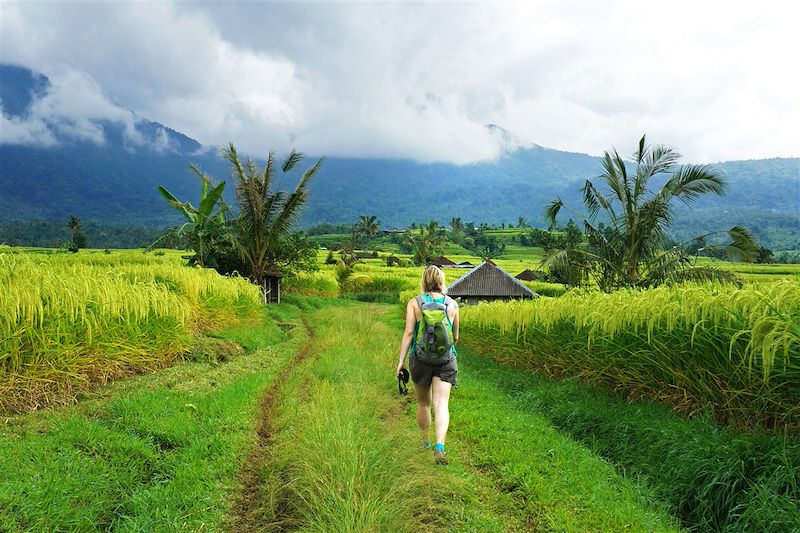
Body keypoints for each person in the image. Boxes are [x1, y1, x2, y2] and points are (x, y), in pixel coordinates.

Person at [396, 265, 459, 464]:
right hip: (446, 361)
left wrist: (400, 362)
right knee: (442, 404)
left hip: (420, 360)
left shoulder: (415, 303)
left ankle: (425, 443)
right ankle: (440, 447)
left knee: (424, 403)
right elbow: (455, 337)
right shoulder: (452, 304)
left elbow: (408, 333)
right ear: (442, 280)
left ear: (424, 280)